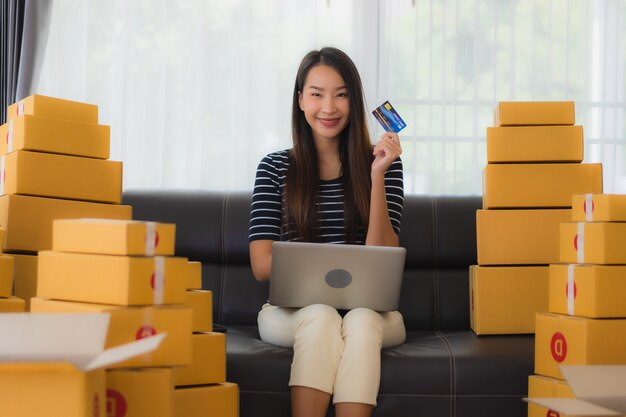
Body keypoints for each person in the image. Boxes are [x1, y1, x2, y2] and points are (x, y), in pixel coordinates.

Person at [248, 46, 406, 417]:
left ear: (354, 101)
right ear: (301, 100)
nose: (328, 107)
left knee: (362, 320)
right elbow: (261, 265)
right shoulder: (273, 168)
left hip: (371, 312)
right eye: (317, 94)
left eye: (341, 94)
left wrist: (377, 177)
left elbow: (382, 255)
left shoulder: (384, 165)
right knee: (321, 315)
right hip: (291, 313)